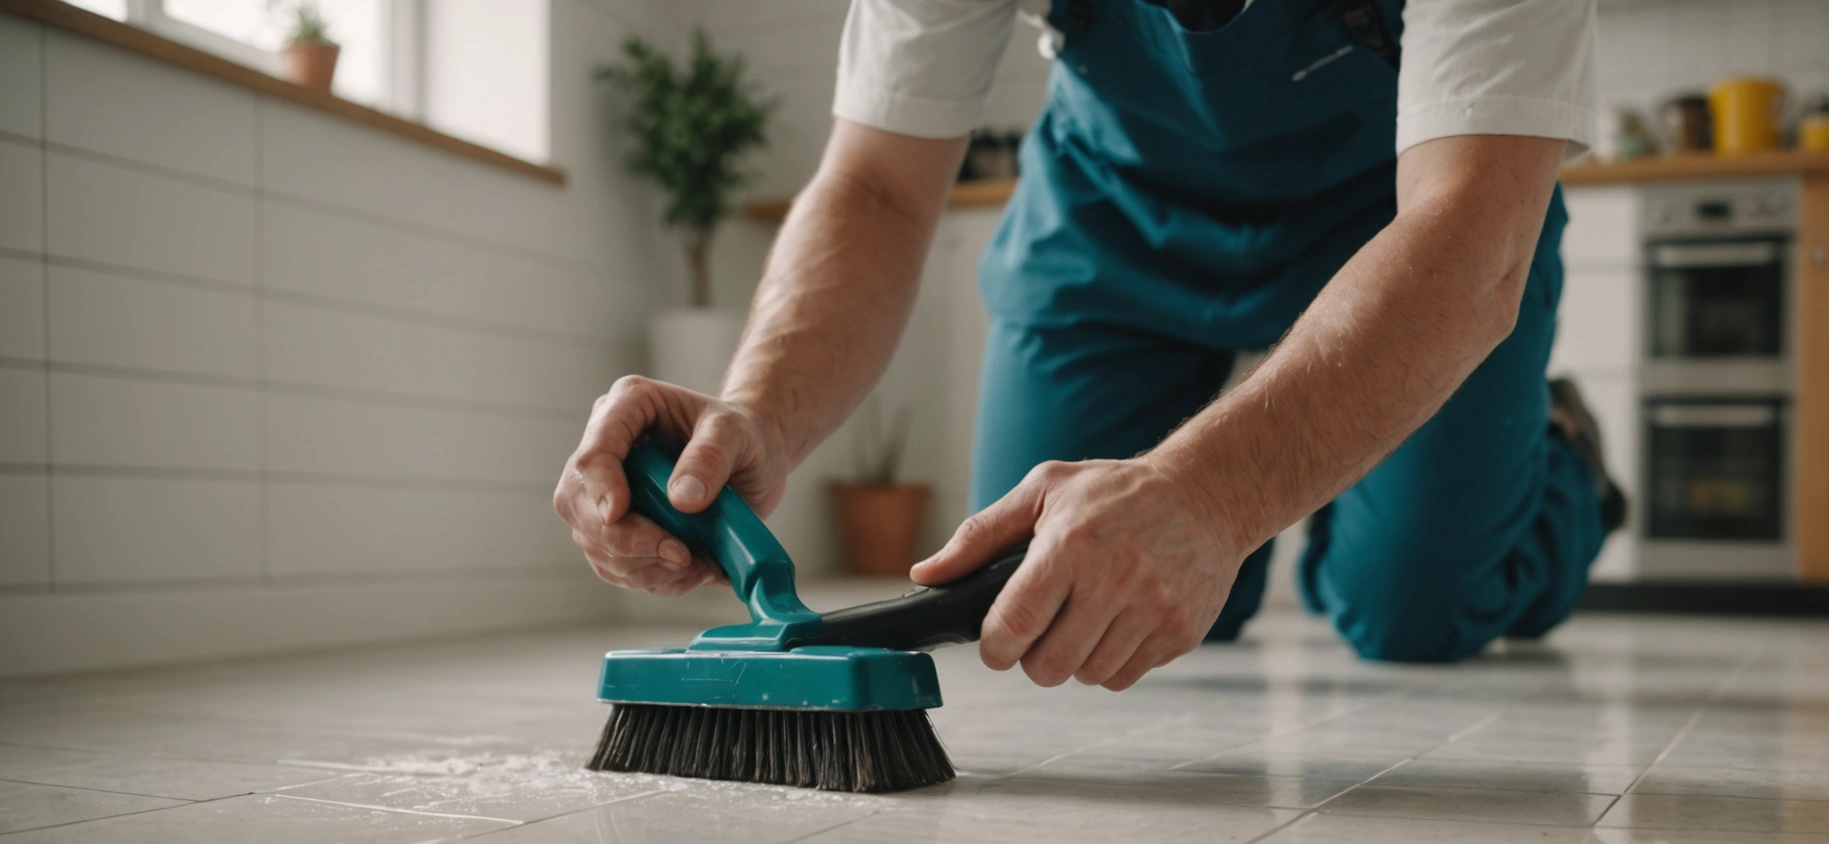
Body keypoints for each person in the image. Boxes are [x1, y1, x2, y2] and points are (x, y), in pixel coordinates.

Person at [554, 0, 1625, 691]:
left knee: (1414, 613)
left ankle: (1559, 455)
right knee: (1052, 586)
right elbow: (877, 188)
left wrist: (1211, 493)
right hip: (1117, 216)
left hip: (1402, 216)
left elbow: (1472, 233)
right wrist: (762, 410)